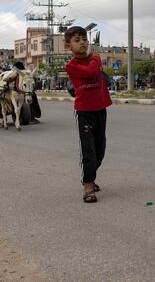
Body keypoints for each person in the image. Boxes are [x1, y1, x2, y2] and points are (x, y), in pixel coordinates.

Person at [64, 26, 112, 203]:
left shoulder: (94, 59)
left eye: (84, 39)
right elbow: (91, 71)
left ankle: (91, 174)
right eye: (77, 40)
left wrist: (96, 60)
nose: (83, 43)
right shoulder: (72, 66)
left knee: (101, 148)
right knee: (88, 149)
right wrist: (96, 59)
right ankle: (88, 184)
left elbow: (96, 69)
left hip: (100, 109)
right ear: (68, 46)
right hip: (84, 111)